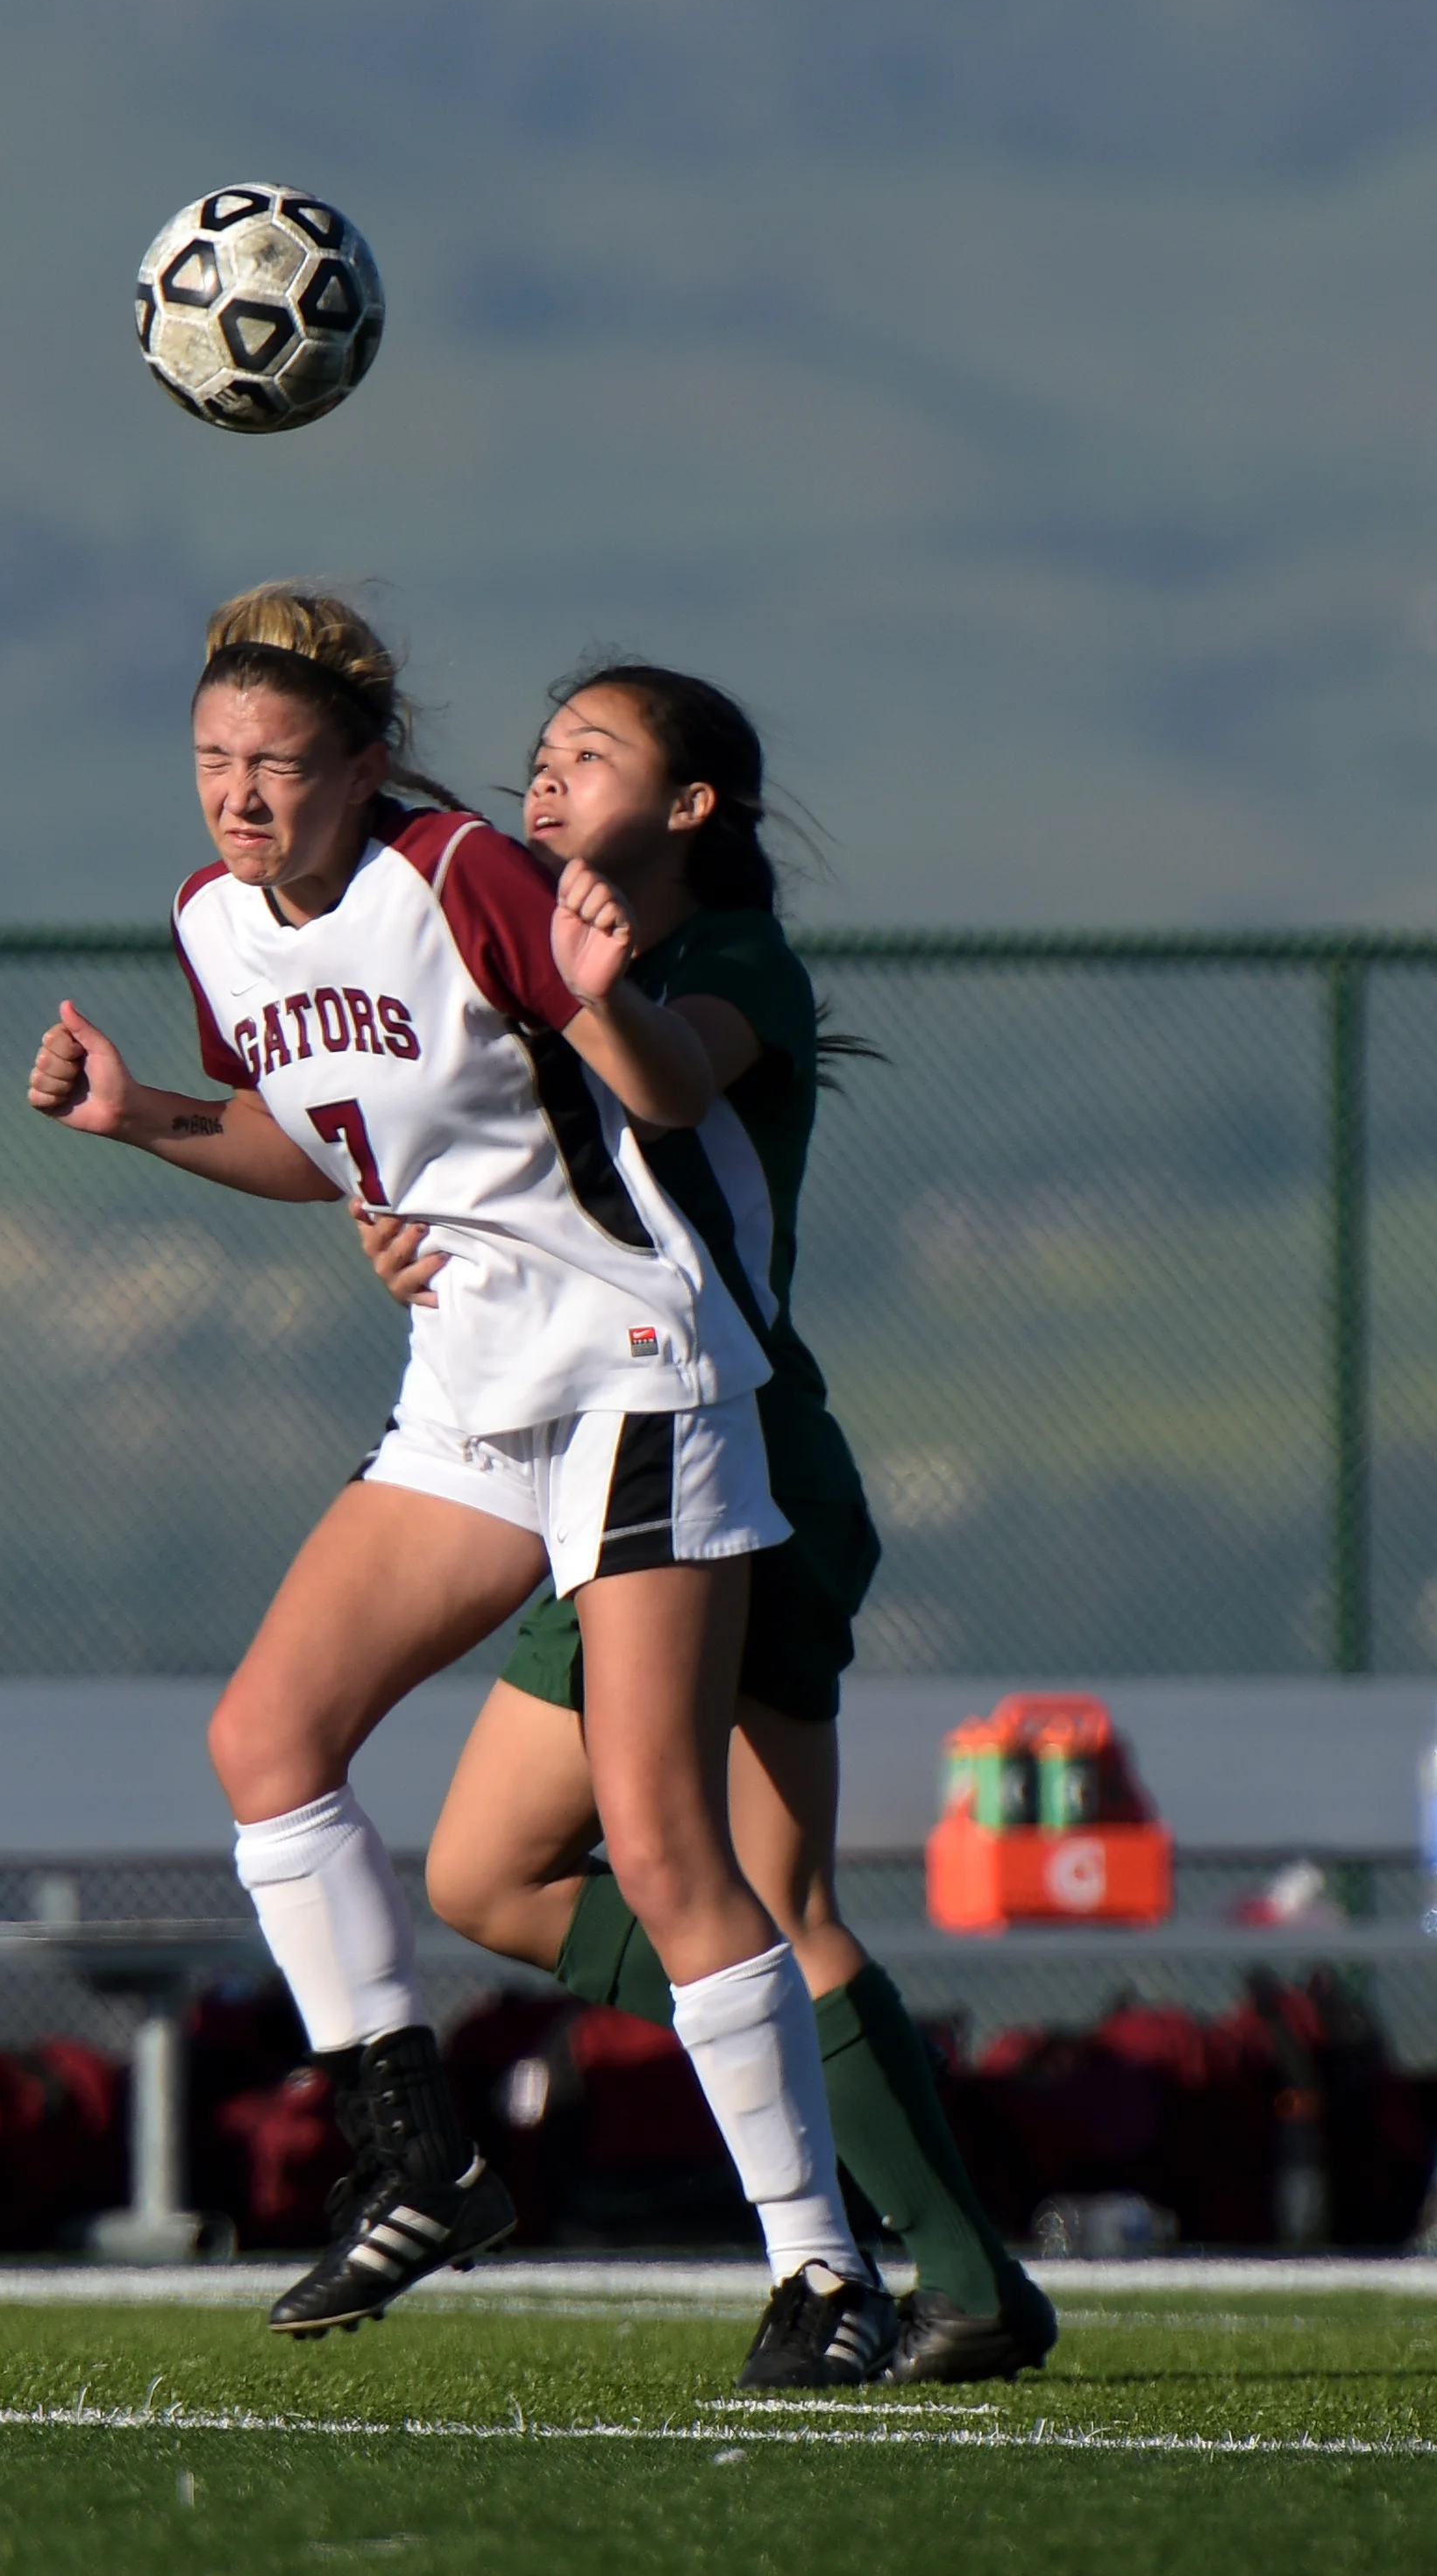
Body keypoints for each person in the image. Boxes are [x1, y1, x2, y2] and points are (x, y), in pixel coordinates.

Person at [27, 585, 896, 2387]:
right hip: (471, 1392)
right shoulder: (211, 923)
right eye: (212, 762)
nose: (240, 798)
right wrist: (141, 1117)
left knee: (663, 1845)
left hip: (636, 1368)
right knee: (266, 1739)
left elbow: (639, 1098)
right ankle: (419, 2160)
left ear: (367, 765)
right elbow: (313, 1132)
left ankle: (825, 2274)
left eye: (279, 764)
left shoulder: (463, 875)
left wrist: (592, 1002)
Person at [353, 661, 1057, 2385]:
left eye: (589, 755)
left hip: (736, 1457)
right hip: (590, 1459)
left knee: (766, 1895)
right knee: (487, 1877)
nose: (543, 776)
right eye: (536, 754)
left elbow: (663, 1084)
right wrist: (408, 1232)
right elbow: (488, 1187)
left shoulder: (722, 968)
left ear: (686, 813)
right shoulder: (531, 973)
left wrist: (570, 986)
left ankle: (960, 2281)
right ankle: (830, 2119)